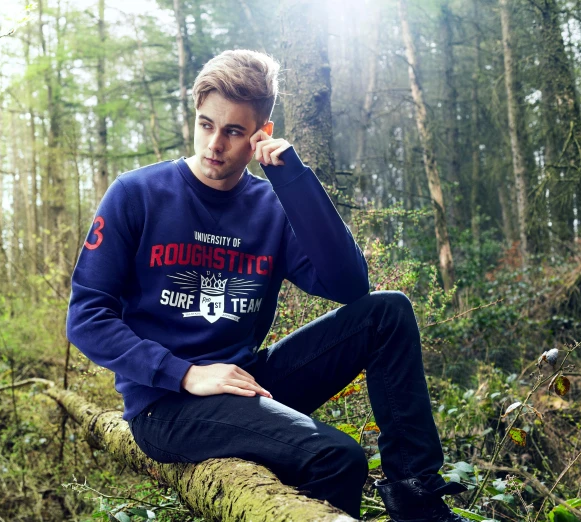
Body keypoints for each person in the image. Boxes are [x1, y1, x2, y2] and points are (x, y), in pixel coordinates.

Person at [66, 49, 469, 522]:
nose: (214, 143)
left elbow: (349, 284)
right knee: (338, 457)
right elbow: (86, 317)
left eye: (234, 131)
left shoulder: (271, 207)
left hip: (247, 383)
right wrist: (185, 374)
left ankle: (417, 500)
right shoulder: (137, 194)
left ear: (261, 134)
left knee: (388, 311)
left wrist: (293, 181)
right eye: (205, 124)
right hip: (165, 406)